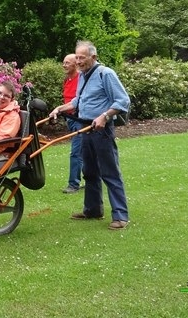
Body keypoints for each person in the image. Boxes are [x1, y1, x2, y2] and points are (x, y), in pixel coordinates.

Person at [49, 41, 131, 231]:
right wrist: (60, 108)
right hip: (85, 128)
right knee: (90, 172)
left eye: (82, 58)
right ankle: (93, 209)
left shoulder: (106, 74)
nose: (78, 61)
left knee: (110, 172)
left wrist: (105, 116)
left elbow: (122, 100)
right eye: (76, 57)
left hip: (102, 131)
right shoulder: (83, 76)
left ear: (93, 57)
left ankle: (120, 216)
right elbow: (79, 100)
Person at [61, 54, 84, 194]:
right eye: (63, 62)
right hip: (69, 119)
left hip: (79, 120)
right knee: (83, 151)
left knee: (76, 152)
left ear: (75, 64)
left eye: (67, 63)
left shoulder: (81, 79)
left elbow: (79, 100)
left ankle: (73, 184)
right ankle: (93, 177)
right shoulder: (67, 80)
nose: (64, 65)